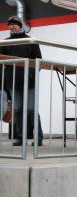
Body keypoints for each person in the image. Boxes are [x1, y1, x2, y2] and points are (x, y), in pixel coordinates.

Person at [0, 16, 43, 146]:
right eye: (10, 24)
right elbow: (1, 63)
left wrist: (31, 74)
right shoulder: (5, 42)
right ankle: (20, 137)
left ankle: (39, 138)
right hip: (12, 82)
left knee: (31, 109)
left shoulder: (31, 41)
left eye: (14, 24)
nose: (11, 26)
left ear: (20, 26)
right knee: (18, 109)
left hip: (29, 82)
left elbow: (39, 61)